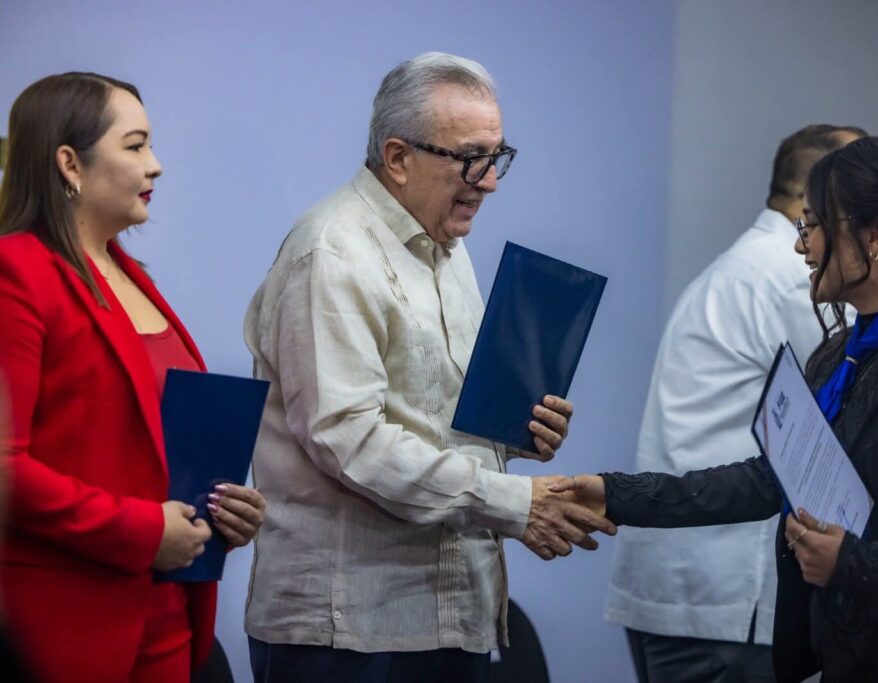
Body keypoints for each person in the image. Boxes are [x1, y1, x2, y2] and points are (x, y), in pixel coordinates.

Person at [559, 137, 878, 682]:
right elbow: (768, 480)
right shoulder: (839, 355)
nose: (803, 245)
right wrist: (616, 494)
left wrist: (851, 564)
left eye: (815, 224)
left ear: (875, 236)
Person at [243, 52, 614, 682]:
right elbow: (348, 439)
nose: (490, 182)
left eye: (497, 157)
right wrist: (513, 501)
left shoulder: (446, 247)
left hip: (448, 613)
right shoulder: (332, 254)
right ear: (397, 157)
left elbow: (431, 416)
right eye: (471, 158)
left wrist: (515, 432)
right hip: (346, 631)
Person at [0, 72, 266, 682]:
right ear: (69, 163)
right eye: (136, 145)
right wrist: (144, 531)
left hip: (168, 616)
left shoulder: (131, 273)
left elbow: (149, 444)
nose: (156, 165)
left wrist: (224, 511)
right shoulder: (16, 271)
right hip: (68, 625)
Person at [606, 124, 863, 683]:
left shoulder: (741, 266)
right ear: (824, 195)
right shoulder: (793, 277)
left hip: (686, 584)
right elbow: (860, 401)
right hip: (725, 601)